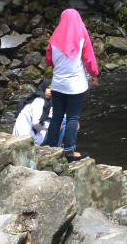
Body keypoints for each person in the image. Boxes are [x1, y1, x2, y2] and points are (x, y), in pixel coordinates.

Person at [43, 8, 99, 161]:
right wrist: (94, 74)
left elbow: (48, 60)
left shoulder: (53, 39)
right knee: (73, 117)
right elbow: (88, 58)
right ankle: (69, 151)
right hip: (76, 85)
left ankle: (52, 149)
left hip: (58, 85)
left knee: (56, 117)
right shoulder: (82, 36)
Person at [12, 79, 52, 145]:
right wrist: (52, 126)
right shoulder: (39, 100)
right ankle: (55, 148)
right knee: (57, 126)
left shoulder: (37, 98)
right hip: (25, 137)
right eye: (48, 88)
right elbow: (36, 123)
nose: (50, 91)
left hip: (22, 135)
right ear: (43, 87)